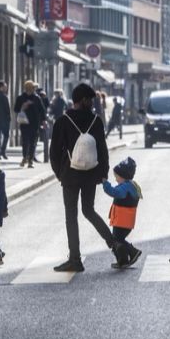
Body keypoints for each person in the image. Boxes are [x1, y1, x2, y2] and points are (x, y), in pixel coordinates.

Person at [49, 83, 118, 272]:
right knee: (89, 210)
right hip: (90, 174)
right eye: (91, 99)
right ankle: (115, 245)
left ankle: (75, 259)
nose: (93, 103)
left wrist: (59, 173)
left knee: (71, 216)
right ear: (83, 100)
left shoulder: (63, 121)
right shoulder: (96, 120)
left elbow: (54, 152)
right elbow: (102, 150)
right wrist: (103, 173)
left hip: (70, 176)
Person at [102, 157, 143, 269]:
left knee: (117, 240)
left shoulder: (125, 187)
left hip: (122, 221)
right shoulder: (130, 185)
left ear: (124, 176)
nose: (116, 179)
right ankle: (123, 261)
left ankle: (133, 252)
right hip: (124, 221)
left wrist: (105, 183)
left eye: (117, 177)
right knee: (117, 240)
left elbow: (114, 192)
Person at [14, 81, 46, 168]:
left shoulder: (36, 98)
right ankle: (25, 157)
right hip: (24, 123)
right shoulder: (21, 98)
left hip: (35, 123)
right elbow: (16, 109)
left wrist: (43, 121)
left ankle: (30, 160)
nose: (34, 89)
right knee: (25, 141)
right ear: (29, 88)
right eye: (33, 88)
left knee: (33, 142)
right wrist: (23, 106)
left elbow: (42, 110)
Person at [36, 87, 51, 164]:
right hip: (43, 121)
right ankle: (46, 158)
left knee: (39, 139)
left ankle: (45, 158)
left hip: (38, 121)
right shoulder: (41, 99)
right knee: (45, 139)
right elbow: (47, 109)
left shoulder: (36, 98)